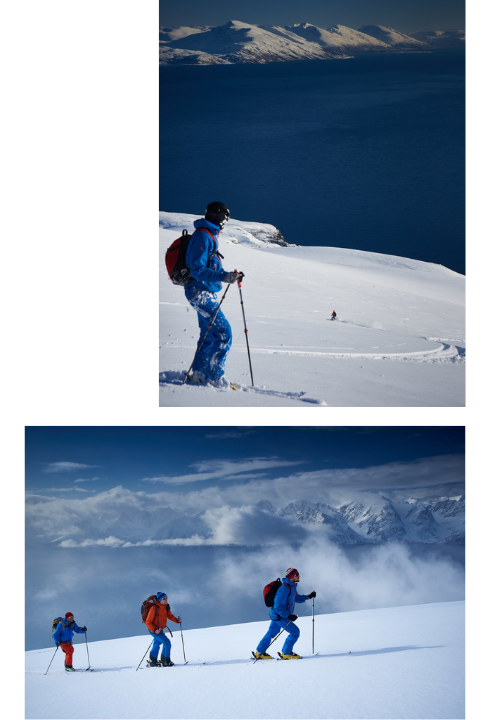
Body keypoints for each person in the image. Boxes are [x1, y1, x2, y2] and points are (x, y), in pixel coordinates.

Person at [184, 201, 244, 389]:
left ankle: (200, 376)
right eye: (226, 217)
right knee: (224, 333)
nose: (226, 222)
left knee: (209, 335)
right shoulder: (203, 236)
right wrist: (222, 276)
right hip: (199, 292)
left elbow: (211, 266)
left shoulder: (209, 235)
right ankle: (216, 378)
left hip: (205, 291)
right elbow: (197, 269)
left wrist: (229, 276)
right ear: (219, 216)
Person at [255, 568, 316, 660]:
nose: (299, 576)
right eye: (297, 574)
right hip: (279, 615)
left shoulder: (291, 587)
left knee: (272, 632)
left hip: (277, 615)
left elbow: (297, 598)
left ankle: (259, 652)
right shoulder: (284, 589)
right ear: (291, 576)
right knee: (295, 632)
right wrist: (288, 616)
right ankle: (287, 653)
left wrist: (309, 596)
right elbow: (278, 606)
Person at [145, 592, 182, 667]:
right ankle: (165, 661)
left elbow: (170, 616)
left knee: (157, 643)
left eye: (166, 598)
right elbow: (148, 622)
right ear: (159, 600)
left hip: (160, 630)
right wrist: (154, 630)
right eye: (163, 598)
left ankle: (153, 661)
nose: (166, 600)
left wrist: (176, 620)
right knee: (166, 642)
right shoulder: (154, 608)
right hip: (153, 630)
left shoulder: (166, 607)